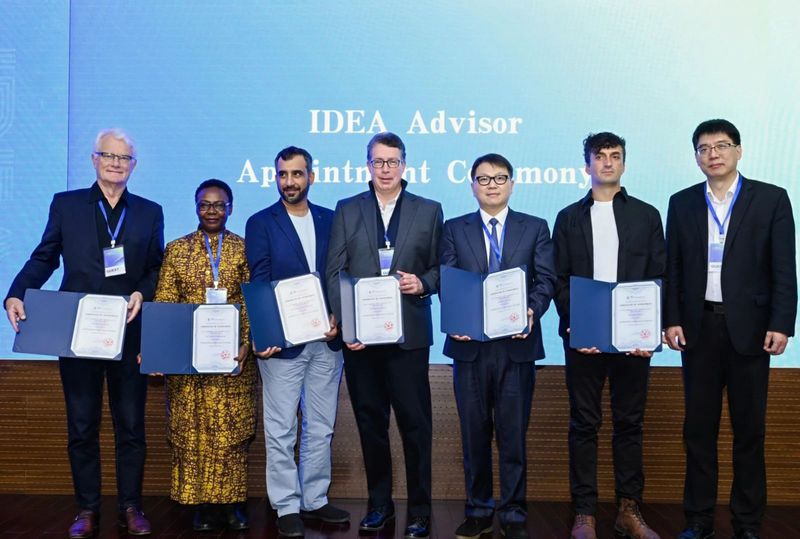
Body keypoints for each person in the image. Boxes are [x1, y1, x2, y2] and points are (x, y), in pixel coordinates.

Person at [4, 128, 163, 538]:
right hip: (77, 332)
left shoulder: (150, 212)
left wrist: (142, 293)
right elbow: (45, 257)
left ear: (133, 166)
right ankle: (87, 509)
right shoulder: (67, 204)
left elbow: (155, 268)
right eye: (108, 155)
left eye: (123, 158)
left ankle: (131, 507)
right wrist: (16, 293)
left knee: (131, 426)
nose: (115, 163)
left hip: (129, 331)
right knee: (81, 425)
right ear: (94, 160)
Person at [665, 119, 797, 539]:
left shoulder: (772, 199)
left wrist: (782, 323)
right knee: (698, 431)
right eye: (704, 148)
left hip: (752, 330)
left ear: (739, 151)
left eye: (721, 146)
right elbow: (673, 267)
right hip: (698, 327)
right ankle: (698, 520)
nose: (713, 154)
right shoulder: (682, 202)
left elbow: (784, 267)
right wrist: (671, 318)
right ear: (696, 157)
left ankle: (747, 523)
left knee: (749, 431)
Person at [326, 132, 442, 539]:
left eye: (393, 161)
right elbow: (334, 271)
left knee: (415, 425)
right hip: (362, 341)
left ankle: (420, 511)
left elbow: (441, 267)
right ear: (368, 165)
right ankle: (380, 506)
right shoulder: (347, 208)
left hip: (408, 338)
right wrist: (348, 325)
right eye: (378, 162)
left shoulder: (429, 210)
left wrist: (423, 283)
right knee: (370, 424)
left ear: (404, 165)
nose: (386, 169)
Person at [553, 132, 665, 539]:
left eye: (615, 156)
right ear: (587, 165)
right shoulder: (568, 217)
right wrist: (576, 322)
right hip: (584, 338)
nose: (607, 162)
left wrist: (650, 331)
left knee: (629, 424)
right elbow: (559, 277)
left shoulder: (647, 215)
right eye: (599, 156)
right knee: (584, 424)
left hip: (633, 340)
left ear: (623, 163)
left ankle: (628, 510)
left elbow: (659, 274)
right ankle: (584, 512)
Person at [440, 153, 556, 539]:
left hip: (516, 347)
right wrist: (458, 318)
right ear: (472, 185)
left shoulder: (535, 227)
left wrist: (531, 310)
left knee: (512, 435)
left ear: (512, 183)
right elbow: (448, 280)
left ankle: (514, 513)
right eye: (484, 179)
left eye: (500, 178)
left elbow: (546, 279)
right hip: (470, 348)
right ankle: (478, 510)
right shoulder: (454, 228)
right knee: (474, 434)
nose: (492, 185)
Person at [245, 146, 348, 537]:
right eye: (283, 174)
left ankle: (315, 499)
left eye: (297, 173)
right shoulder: (261, 222)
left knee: (321, 426)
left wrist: (339, 317)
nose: (289, 181)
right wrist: (265, 333)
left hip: (326, 340)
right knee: (281, 428)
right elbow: (260, 279)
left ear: (311, 177)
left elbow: (340, 275)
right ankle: (286, 504)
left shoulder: (331, 219)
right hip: (282, 346)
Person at [152, 179, 256, 532]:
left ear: (230, 208)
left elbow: (251, 303)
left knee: (231, 433)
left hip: (232, 359)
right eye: (205, 204)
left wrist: (246, 344)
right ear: (196, 207)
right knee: (191, 432)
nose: (212, 211)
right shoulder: (177, 249)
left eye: (219, 204)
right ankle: (200, 506)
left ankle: (232, 505)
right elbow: (166, 302)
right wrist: (162, 352)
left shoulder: (244, 249)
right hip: (189, 362)